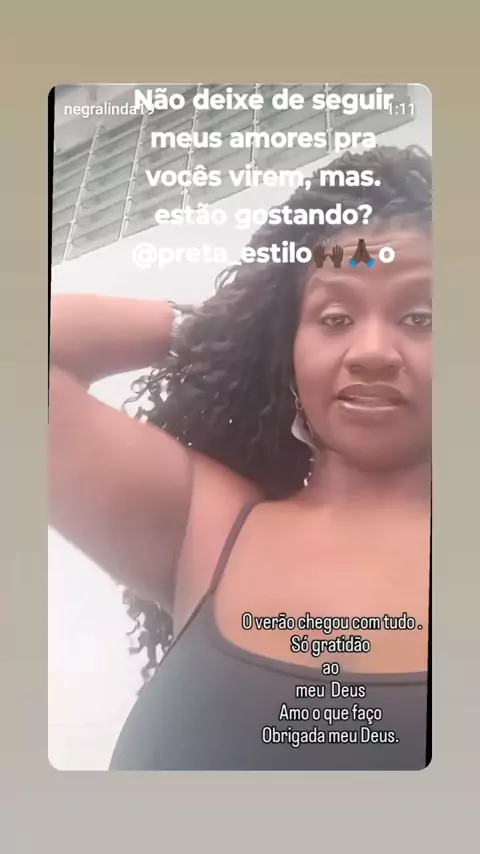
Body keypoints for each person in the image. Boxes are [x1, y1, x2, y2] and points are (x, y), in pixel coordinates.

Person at [49, 144, 432, 770]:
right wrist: (228, 328)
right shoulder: (205, 523)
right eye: (335, 317)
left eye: (420, 317)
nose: (371, 352)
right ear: (287, 348)